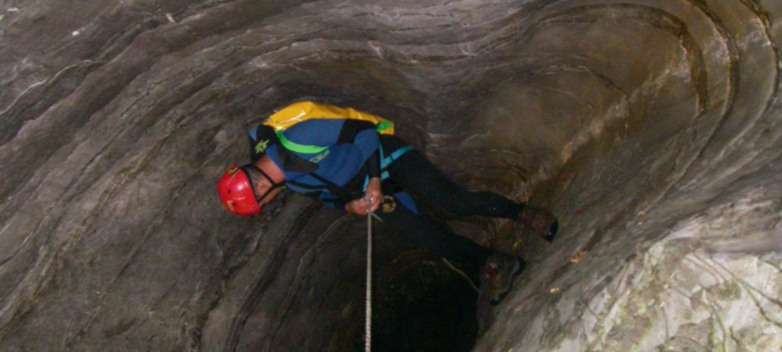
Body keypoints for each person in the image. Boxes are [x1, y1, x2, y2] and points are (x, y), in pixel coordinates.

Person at [217, 101, 558, 305]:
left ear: (260, 186)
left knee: (454, 202)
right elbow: (325, 195)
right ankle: (496, 263)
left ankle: (523, 214)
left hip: (387, 157)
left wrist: (376, 179)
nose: (272, 200)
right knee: (425, 237)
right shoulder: (289, 180)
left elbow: (363, 132)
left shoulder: (297, 139)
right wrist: (348, 207)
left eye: (265, 199)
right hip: (367, 193)